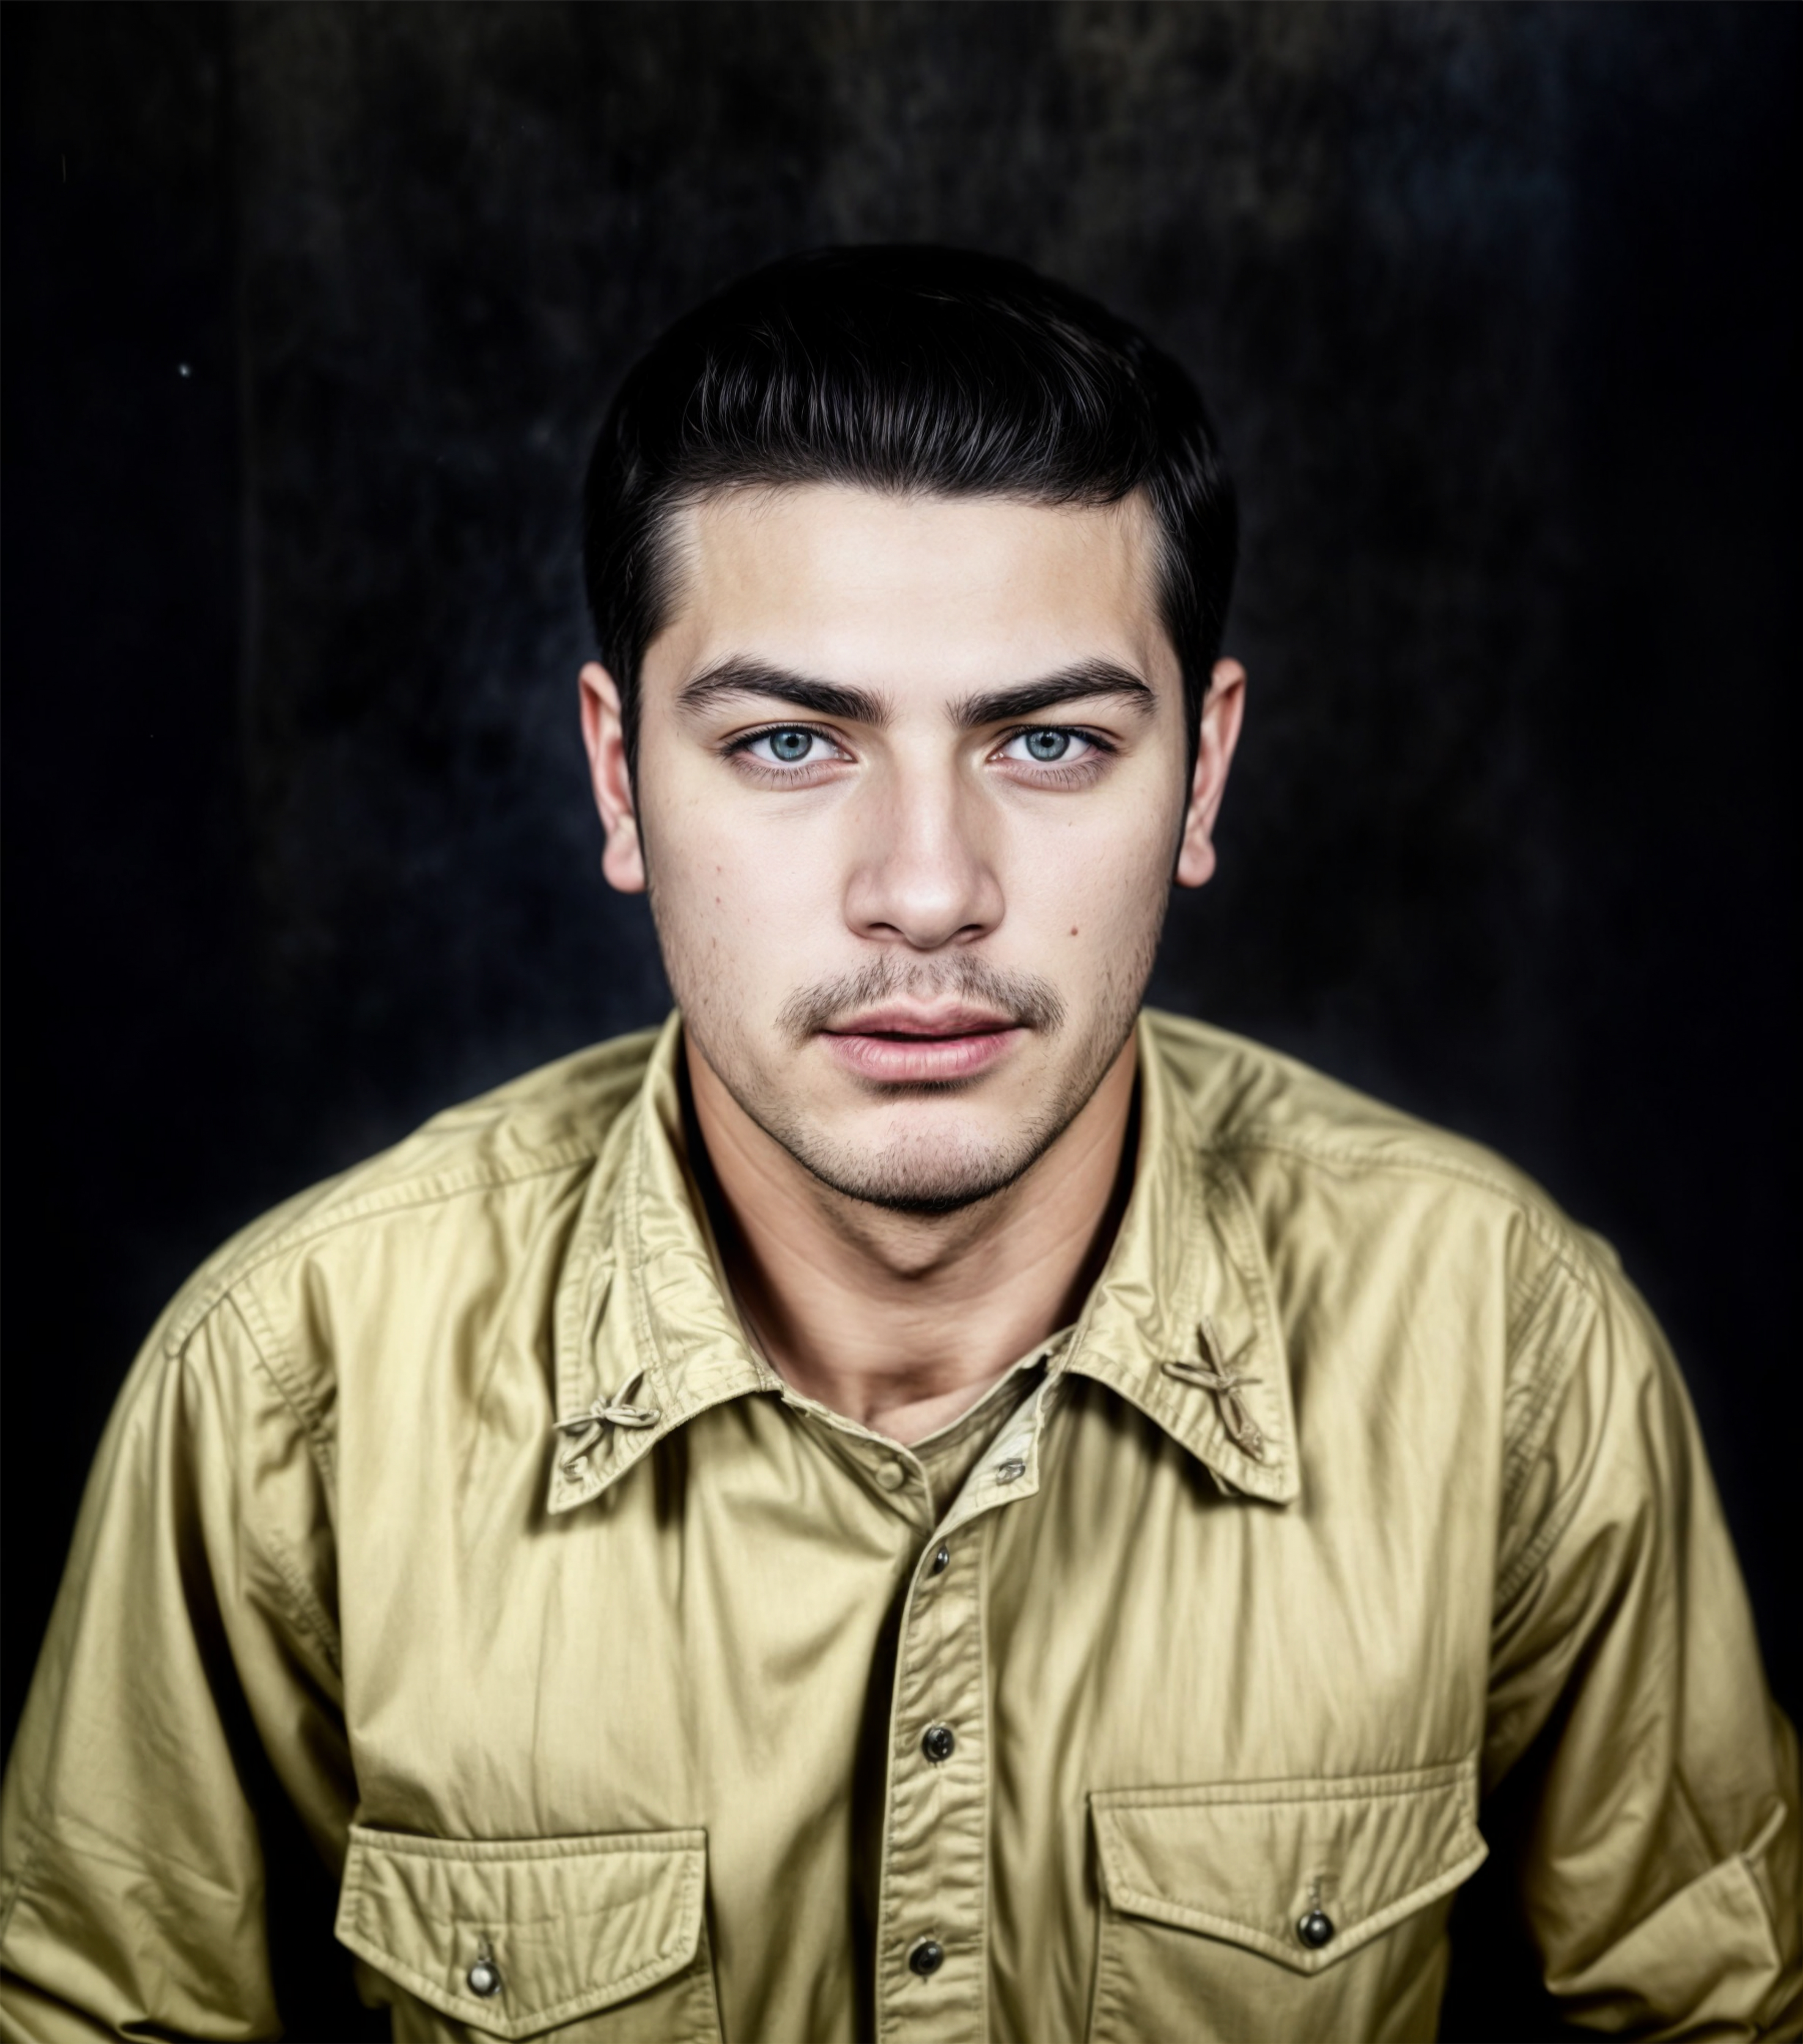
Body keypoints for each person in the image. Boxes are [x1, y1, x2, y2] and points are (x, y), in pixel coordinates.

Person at [2, 246, 1796, 2044]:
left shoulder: (1509, 1350)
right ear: (620, 780)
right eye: (792, 742)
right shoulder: (290, 1395)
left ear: (1203, 772)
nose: (927, 891)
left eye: (1049, 743)